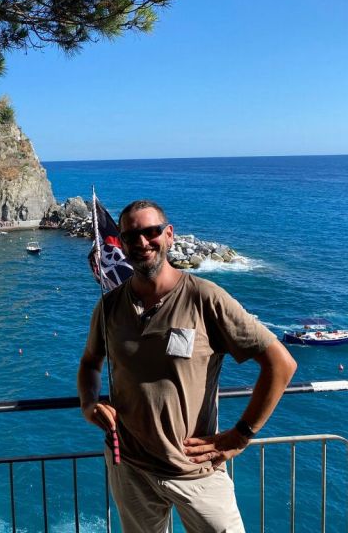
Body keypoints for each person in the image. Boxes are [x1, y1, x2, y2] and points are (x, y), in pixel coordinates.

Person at [78, 199, 297, 532]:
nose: (141, 242)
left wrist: (240, 436)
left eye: (151, 232)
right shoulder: (109, 306)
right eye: (131, 235)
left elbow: (281, 364)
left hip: (196, 470)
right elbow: (90, 363)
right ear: (121, 243)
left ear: (169, 236)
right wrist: (89, 404)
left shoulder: (204, 298)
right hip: (130, 468)